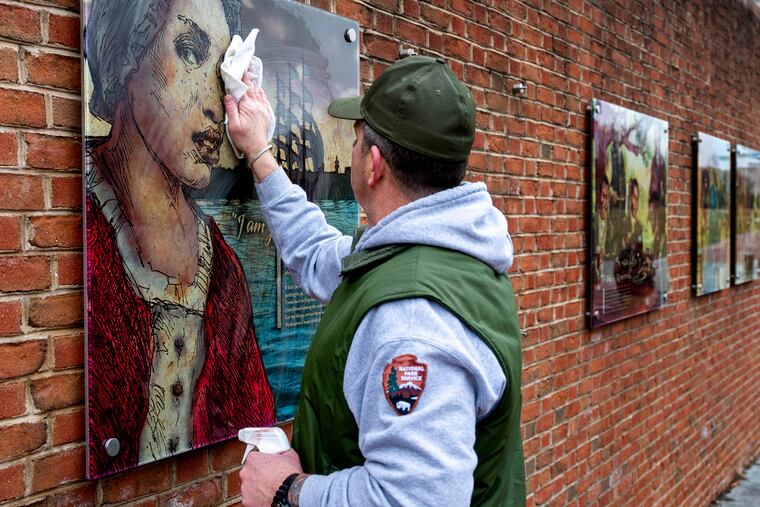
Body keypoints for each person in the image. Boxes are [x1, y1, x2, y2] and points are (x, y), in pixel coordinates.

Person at [225, 55, 525, 506]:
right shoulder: (434, 255)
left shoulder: (411, 319)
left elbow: (417, 500)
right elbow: (318, 254)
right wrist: (260, 153)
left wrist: (287, 491)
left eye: (356, 138)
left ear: (373, 165)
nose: (352, 149)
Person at [85, 0, 275, 477]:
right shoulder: (80, 235)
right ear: (126, 59)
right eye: (189, 51)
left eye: (223, 72)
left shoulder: (224, 274)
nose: (218, 105)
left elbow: (253, 424)